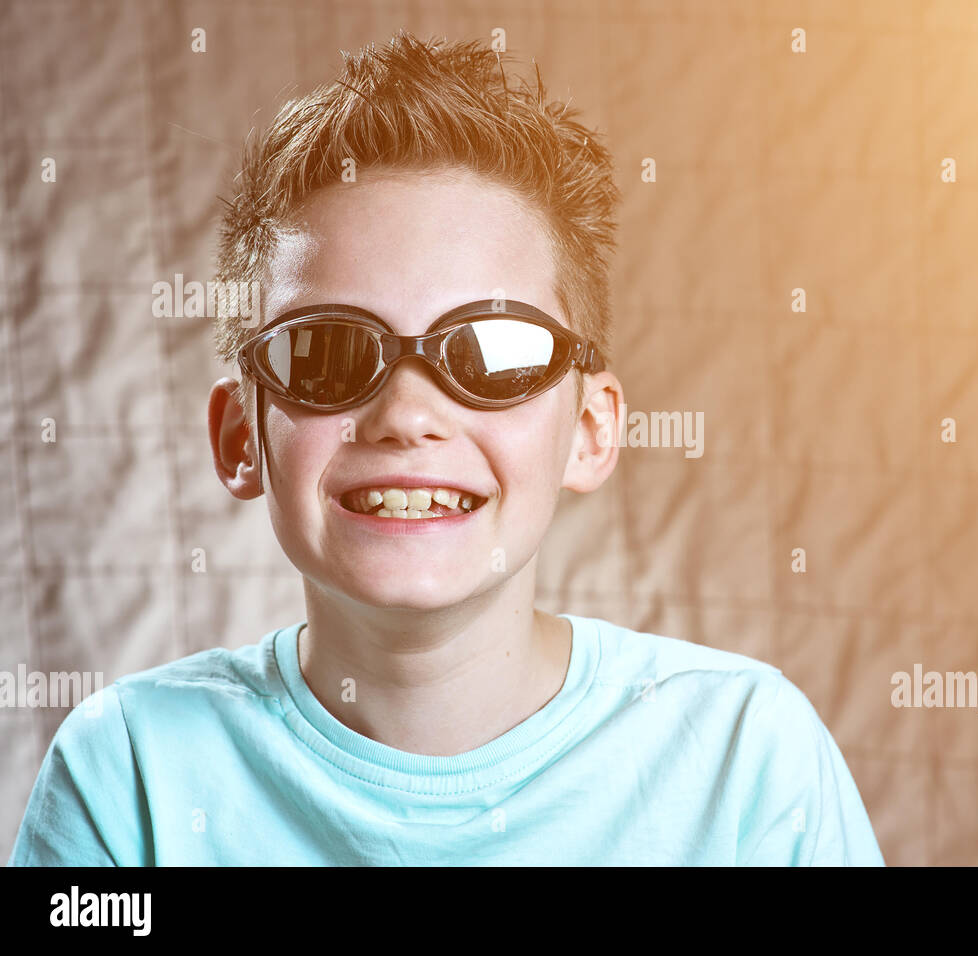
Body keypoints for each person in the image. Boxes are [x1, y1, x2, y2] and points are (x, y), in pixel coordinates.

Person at [7, 31, 885, 866]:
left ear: (590, 430)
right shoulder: (128, 772)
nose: (406, 415)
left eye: (494, 352)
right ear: (242, 437)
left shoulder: (747, 757)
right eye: (327, 352)